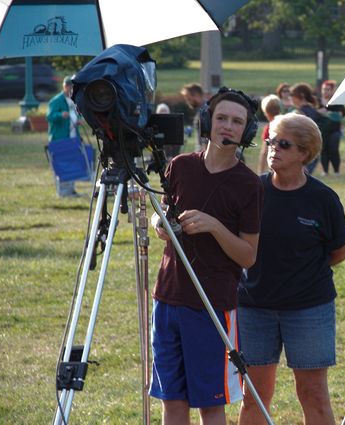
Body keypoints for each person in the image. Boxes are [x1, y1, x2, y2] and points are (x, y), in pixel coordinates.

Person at [150, 87, 264, 425]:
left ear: (248, 131)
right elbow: (166, 213)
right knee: (171, 399)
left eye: (237, 121)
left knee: (210, 405)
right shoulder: (180, 166)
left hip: (211, 305)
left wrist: (214, 226)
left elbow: (248, 256)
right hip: (167, 297)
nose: (228, 126)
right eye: (221, 118)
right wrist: (160, 221)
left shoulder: (249, 185)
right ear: (207, 121)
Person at [237, 112, 345, 425]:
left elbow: (338, 251)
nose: (273, 148)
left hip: (308, 308)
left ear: (305, 153)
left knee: (313, 393)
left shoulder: (323, 199)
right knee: (254, 397)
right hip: (254, 307)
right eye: (270, 141)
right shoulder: (253, 191)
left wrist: (301, 275)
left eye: (284, 143)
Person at [46, 75, 82, 197]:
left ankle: (71, 190)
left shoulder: (73, 100)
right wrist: (61, 115)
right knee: (61, 164)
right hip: (60, 138)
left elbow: (76, 114)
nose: (71, 89)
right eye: (69, 87)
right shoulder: (56, 101)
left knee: (72, 163)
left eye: (72, 87)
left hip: (73, 137)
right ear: (65, 87)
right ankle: (62, 191)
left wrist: (78, 120)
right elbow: (50, 117)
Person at [289, 82, 324, 175]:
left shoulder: (298, 113)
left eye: (292, 95)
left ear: (301, 95)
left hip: (300, 152)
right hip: (313, 151)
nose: (290, 98)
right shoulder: (314, 111)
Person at [318, 80, 345, 176]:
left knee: (333, 149)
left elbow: (341, 115)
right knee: (323, 150)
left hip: (335, 130)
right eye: (323, 89)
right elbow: (315, 113)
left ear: (333, 91)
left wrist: (325, 112)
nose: (325, 91)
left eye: (328, 89)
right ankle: (325, 171)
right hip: (321, 130)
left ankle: (336, 171)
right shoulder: (318, 101)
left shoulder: (338, 102)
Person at [257, 94, 281, 175]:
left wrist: (261, 172)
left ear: (266, 112)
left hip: (274, 165)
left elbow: (264, 152)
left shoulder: (269, 128)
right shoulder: (286, 124)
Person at [180, 83, 208, 152]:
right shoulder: (202, 109)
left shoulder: (205, 110)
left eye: (189, 99)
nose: (187, 102)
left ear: (196, 95)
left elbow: (206, 136)